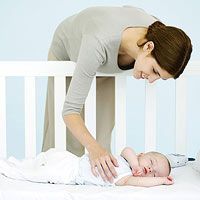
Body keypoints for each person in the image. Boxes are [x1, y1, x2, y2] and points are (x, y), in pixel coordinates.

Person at [42, 5, 192, 184]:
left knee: (102, 133)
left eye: (160, 77)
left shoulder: (160, 35)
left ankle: (97, 181)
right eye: (154, 71)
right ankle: (51, 177)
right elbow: (69, 111)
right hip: (69, 51)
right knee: (68, 138)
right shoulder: (98, 42)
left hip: (106, 57)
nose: (151, 80)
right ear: (148, 47)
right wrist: (93, 148)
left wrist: (99, 149)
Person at [0, 147, 173, 187]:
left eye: (154, 174)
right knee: (34, 166)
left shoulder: (127, 178)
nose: (150, 170)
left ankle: (9, 166)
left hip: (70, 174)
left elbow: (141, 184)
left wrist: (162, 180)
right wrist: (135, 163)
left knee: (35, 173)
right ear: (142, 155)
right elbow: (127, 150)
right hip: (71, 161)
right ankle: (14, 165)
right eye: (151, 163)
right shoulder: (130, 160)